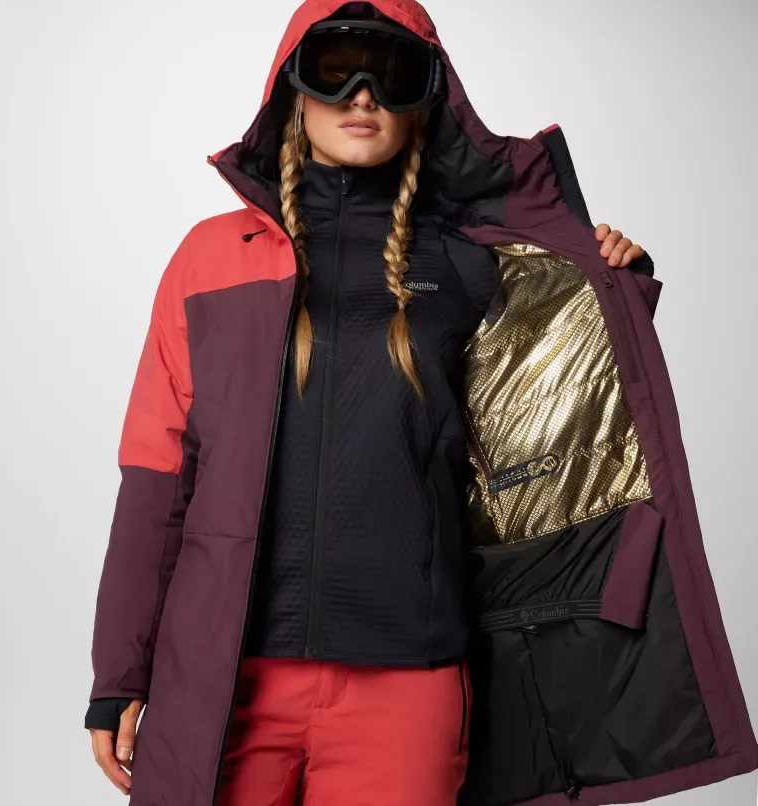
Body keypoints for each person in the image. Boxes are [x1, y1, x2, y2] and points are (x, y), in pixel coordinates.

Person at [85, 2, 650, 804]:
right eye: (335, 69)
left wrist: (614, 282)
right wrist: (121, 670)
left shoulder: (469, 262)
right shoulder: (210, 257)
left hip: (407, 682)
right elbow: (156, 476)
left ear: (428, 99)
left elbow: (568, 410)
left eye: (392, 75)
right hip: (223, 673)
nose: (362, 96)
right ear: (292, 88)